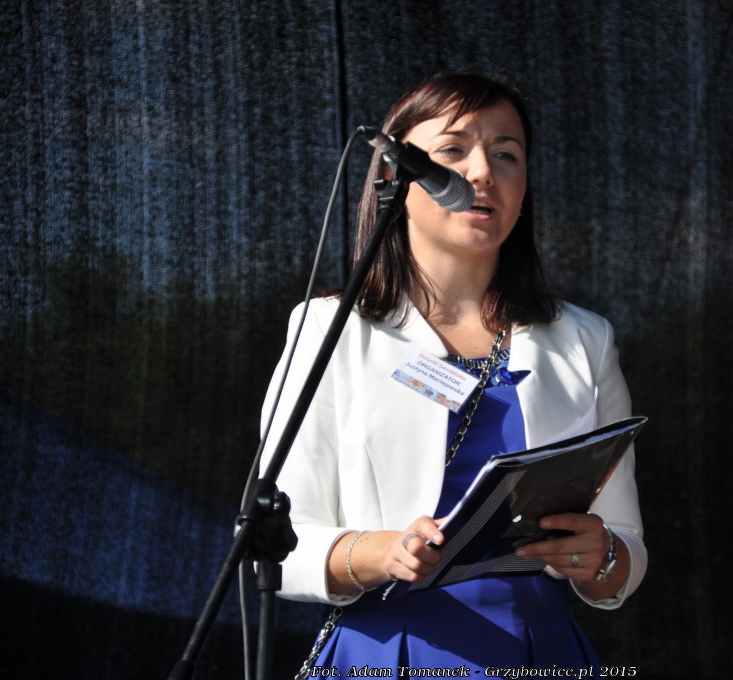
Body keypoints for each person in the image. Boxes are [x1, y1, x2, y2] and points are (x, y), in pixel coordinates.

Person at [259, 71, 646, 673]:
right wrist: (385, 552)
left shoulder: (584, 340)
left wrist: (602, 556)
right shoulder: (330, 330)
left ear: (524, 188)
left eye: (506, 155)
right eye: (452, 151)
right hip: (387, 655)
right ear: (395, 176)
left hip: (539, 652)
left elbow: (626, 552)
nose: (482, 171)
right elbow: (276, 548)